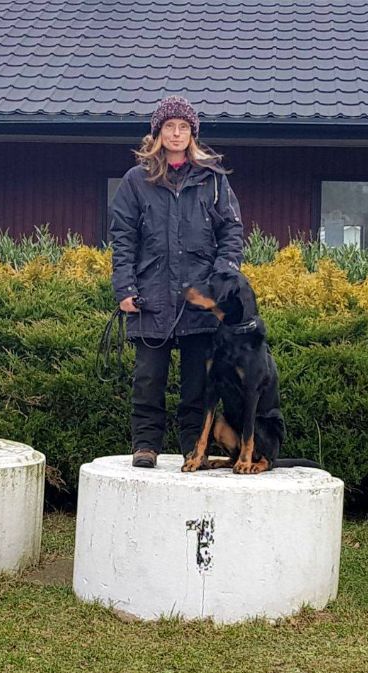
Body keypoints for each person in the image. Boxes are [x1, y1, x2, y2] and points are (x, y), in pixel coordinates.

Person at [109, 95, 244, 468]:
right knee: (148, 380)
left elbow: (232, 231)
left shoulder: (213, 180)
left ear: (192, 133)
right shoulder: (136, 181)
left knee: (196, 385)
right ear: (157, 132)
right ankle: (146, 445)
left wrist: (224, 272)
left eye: (184, 127)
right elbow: (122, 238)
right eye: (169, 126)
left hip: (200, 299)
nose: (176, 133)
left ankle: (192, 447)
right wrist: (125, 288)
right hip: (150, 298)